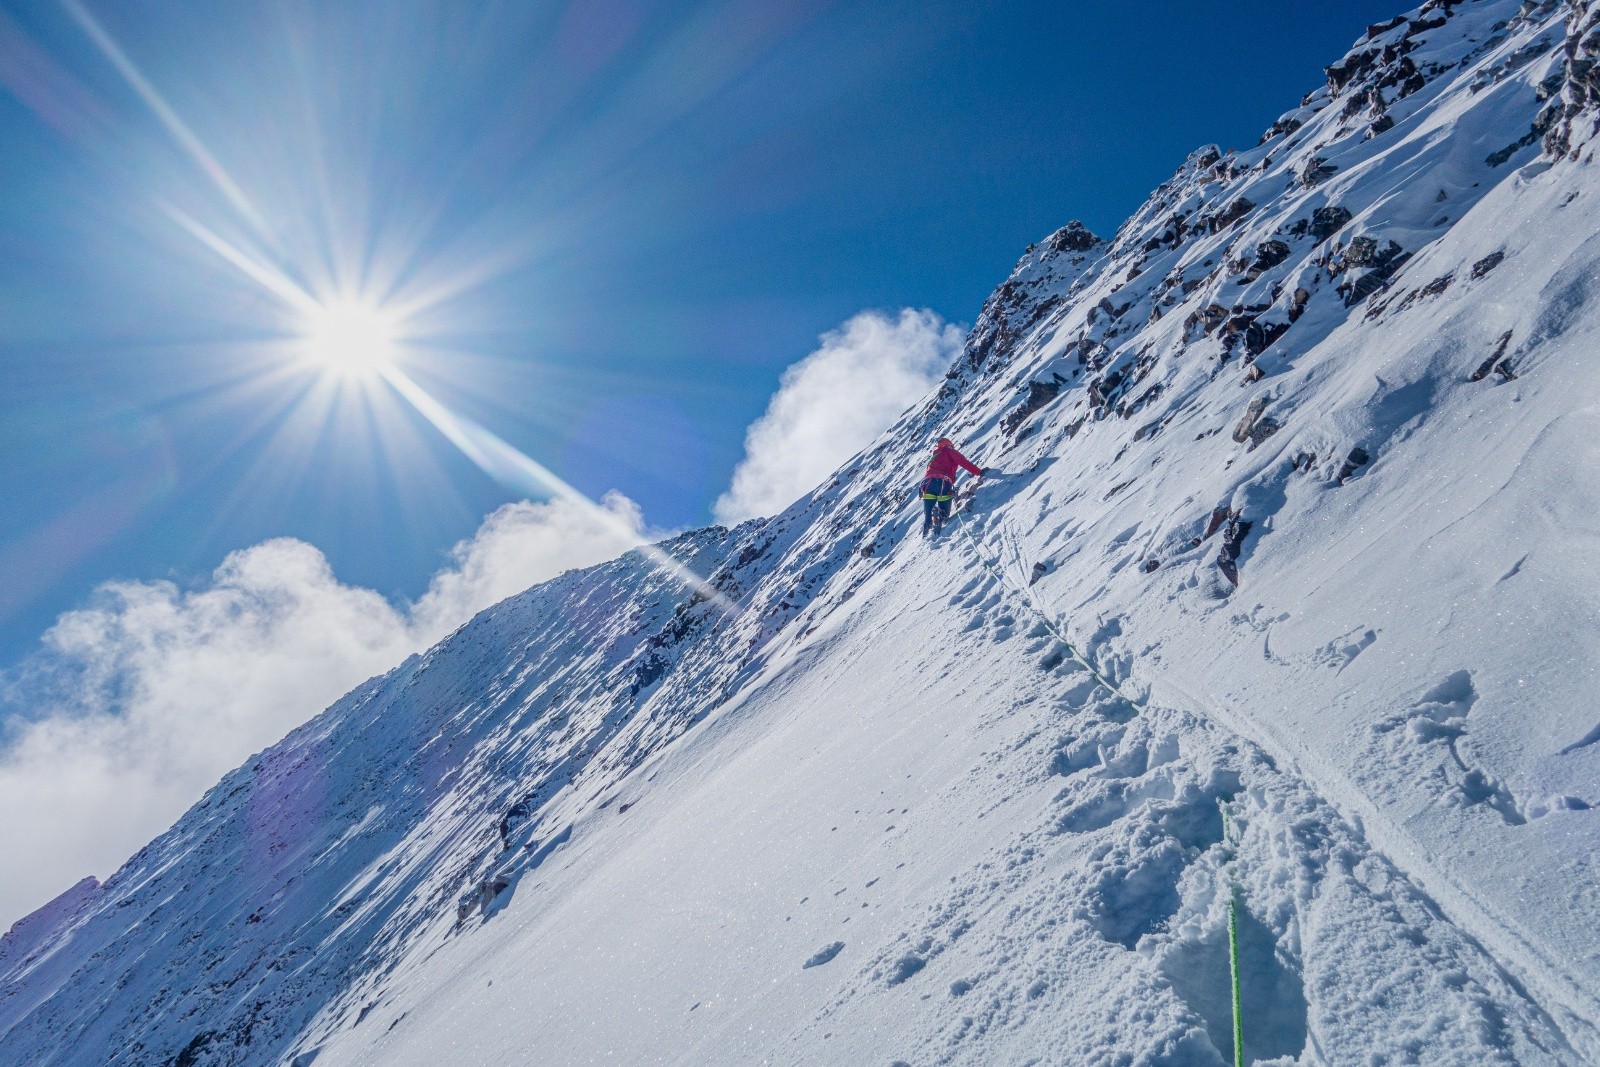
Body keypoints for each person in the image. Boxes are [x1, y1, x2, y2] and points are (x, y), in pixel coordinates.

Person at [920, 437, 984, 536]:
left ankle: (926, 534)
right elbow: (963, 462)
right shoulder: (949, 451)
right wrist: (979, 472)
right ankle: (940, 516)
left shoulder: (934, 456)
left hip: (927, 484)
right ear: (949, 445)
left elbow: (930, 473)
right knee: (945, 514)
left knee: (927, 517)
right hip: (942, 482)